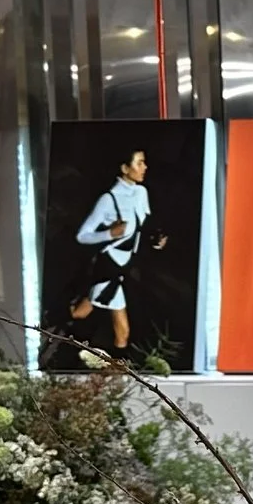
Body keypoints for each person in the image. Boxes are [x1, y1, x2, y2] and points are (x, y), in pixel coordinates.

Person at [68, 144, 161, 355]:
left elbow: (144, 226)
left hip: (127, 265)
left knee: (85, 310)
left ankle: (60, 323)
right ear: (125, 168)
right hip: (109, 265)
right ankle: (117, 370)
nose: (144, 167)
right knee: (120, 328)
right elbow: (82, 235)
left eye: (144, 162)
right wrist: (110, 234)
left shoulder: (141, 193)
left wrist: (155, 240)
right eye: (139, 163)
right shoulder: (108, 200)